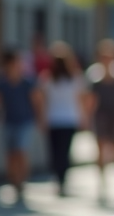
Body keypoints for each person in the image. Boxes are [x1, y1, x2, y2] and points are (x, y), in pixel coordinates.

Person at [36, 42, 88, 197]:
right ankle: (61, 178)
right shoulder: (71, 78)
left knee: (56, 151)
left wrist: (42, 118)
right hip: (68, 119)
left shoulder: (49, 78)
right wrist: (83, 117)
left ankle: (59, 178)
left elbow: (42, 101)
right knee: (64, 152)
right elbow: (81, 100)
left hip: (56, 119)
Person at [0, 49, 41, 206]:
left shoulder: (27, 81)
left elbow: (36, 100)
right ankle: (13, 182)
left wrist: (40, 118)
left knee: (21, 152)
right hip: (8, 121)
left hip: (24, 121)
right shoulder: (1, 81)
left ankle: (22, 183)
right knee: (11, 154)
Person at [85, 39, 114, 203]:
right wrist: (87, 119)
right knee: (101, 148)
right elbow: (91, 102)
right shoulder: (94, 79)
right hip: (101, 116)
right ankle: (101, 180)